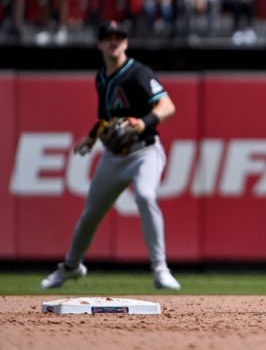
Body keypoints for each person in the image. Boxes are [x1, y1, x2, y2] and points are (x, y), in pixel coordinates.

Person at [40, 21, 181, 291]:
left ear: (126, 43)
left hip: (145, 151)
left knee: (145, 195)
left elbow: (167, 106)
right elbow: (107, 117)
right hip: (113, 157)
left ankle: (160, 269)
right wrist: (91, 138)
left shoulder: (138, 72)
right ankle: (70, 267)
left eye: (118, 38)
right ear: (100, 44)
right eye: (108, 38)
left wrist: (143, 122)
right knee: (90, 214)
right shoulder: (101, 77)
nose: (113, 42)